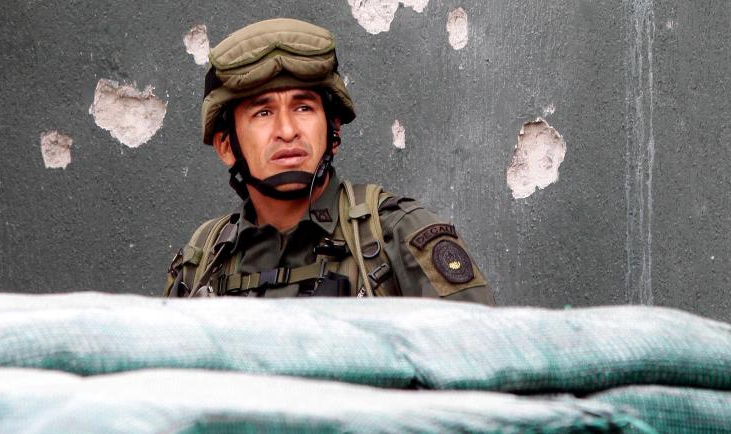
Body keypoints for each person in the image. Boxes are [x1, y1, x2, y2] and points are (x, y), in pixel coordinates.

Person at [164, 17, 494, 301]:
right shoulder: (203, 261)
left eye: (303, 107)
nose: (287, 130)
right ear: (226, 146)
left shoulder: (397, 236)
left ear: (334, 130)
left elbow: (477, 357)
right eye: (263, 112)